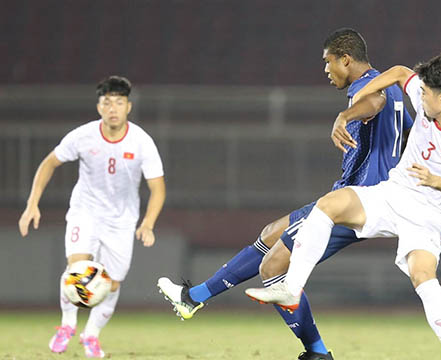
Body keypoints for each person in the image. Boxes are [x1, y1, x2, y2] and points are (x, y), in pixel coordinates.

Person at [157, 28, 413, 360]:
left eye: (328, 62)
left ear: (346, 60)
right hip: (351, 197)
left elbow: (373, 103)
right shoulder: (392, 89)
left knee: (272, 267)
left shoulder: (369, 88)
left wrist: (345, 115)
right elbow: (408, 128)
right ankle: (194, 297)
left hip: (356, 203)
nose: (325, 70)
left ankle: (317, 352)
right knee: (270, 233)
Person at [246, 52, 441, 360]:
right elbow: (399, 72)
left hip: (427, 214)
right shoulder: (428, 99)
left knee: (423, 277)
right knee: (329, 204)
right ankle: (292, 287)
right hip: (393, 193)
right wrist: (364, 92)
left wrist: (433, 178)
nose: (418, 96)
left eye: (424, 94)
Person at [18, 76, 166, 358]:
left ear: (128, 107)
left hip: (122, 221)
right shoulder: (82, 136)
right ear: (99, 107)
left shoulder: (142, 142)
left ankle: (91, 336)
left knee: (111, 283)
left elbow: (158, 188)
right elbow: (50, 162)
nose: (113, 108)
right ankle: (67, 326)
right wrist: (32, 203)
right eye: (107, 102)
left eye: (119, 102)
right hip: (85, 212)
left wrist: (148, 222)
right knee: (77, 269)